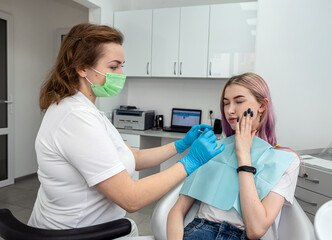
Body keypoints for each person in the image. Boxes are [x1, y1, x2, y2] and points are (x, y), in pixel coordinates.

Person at [27, 23, 224, 236]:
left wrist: (181, 144)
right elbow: (131, 198)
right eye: (113, 67)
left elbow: (134, 157)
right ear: (82, 67)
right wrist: (190, 162)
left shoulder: (86, 111)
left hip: (88, 228)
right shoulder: (75, 118)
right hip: (74, 233)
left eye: (122, 65)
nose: (121, 73)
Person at [167, 73, 300, 240]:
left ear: (262, 105)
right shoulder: (214, 149)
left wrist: (243, 156)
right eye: (226, 103)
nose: (230, 110)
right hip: (200, 231)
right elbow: (177, 211)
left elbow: (255, 230)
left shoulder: (285, 160)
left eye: (239, 101)